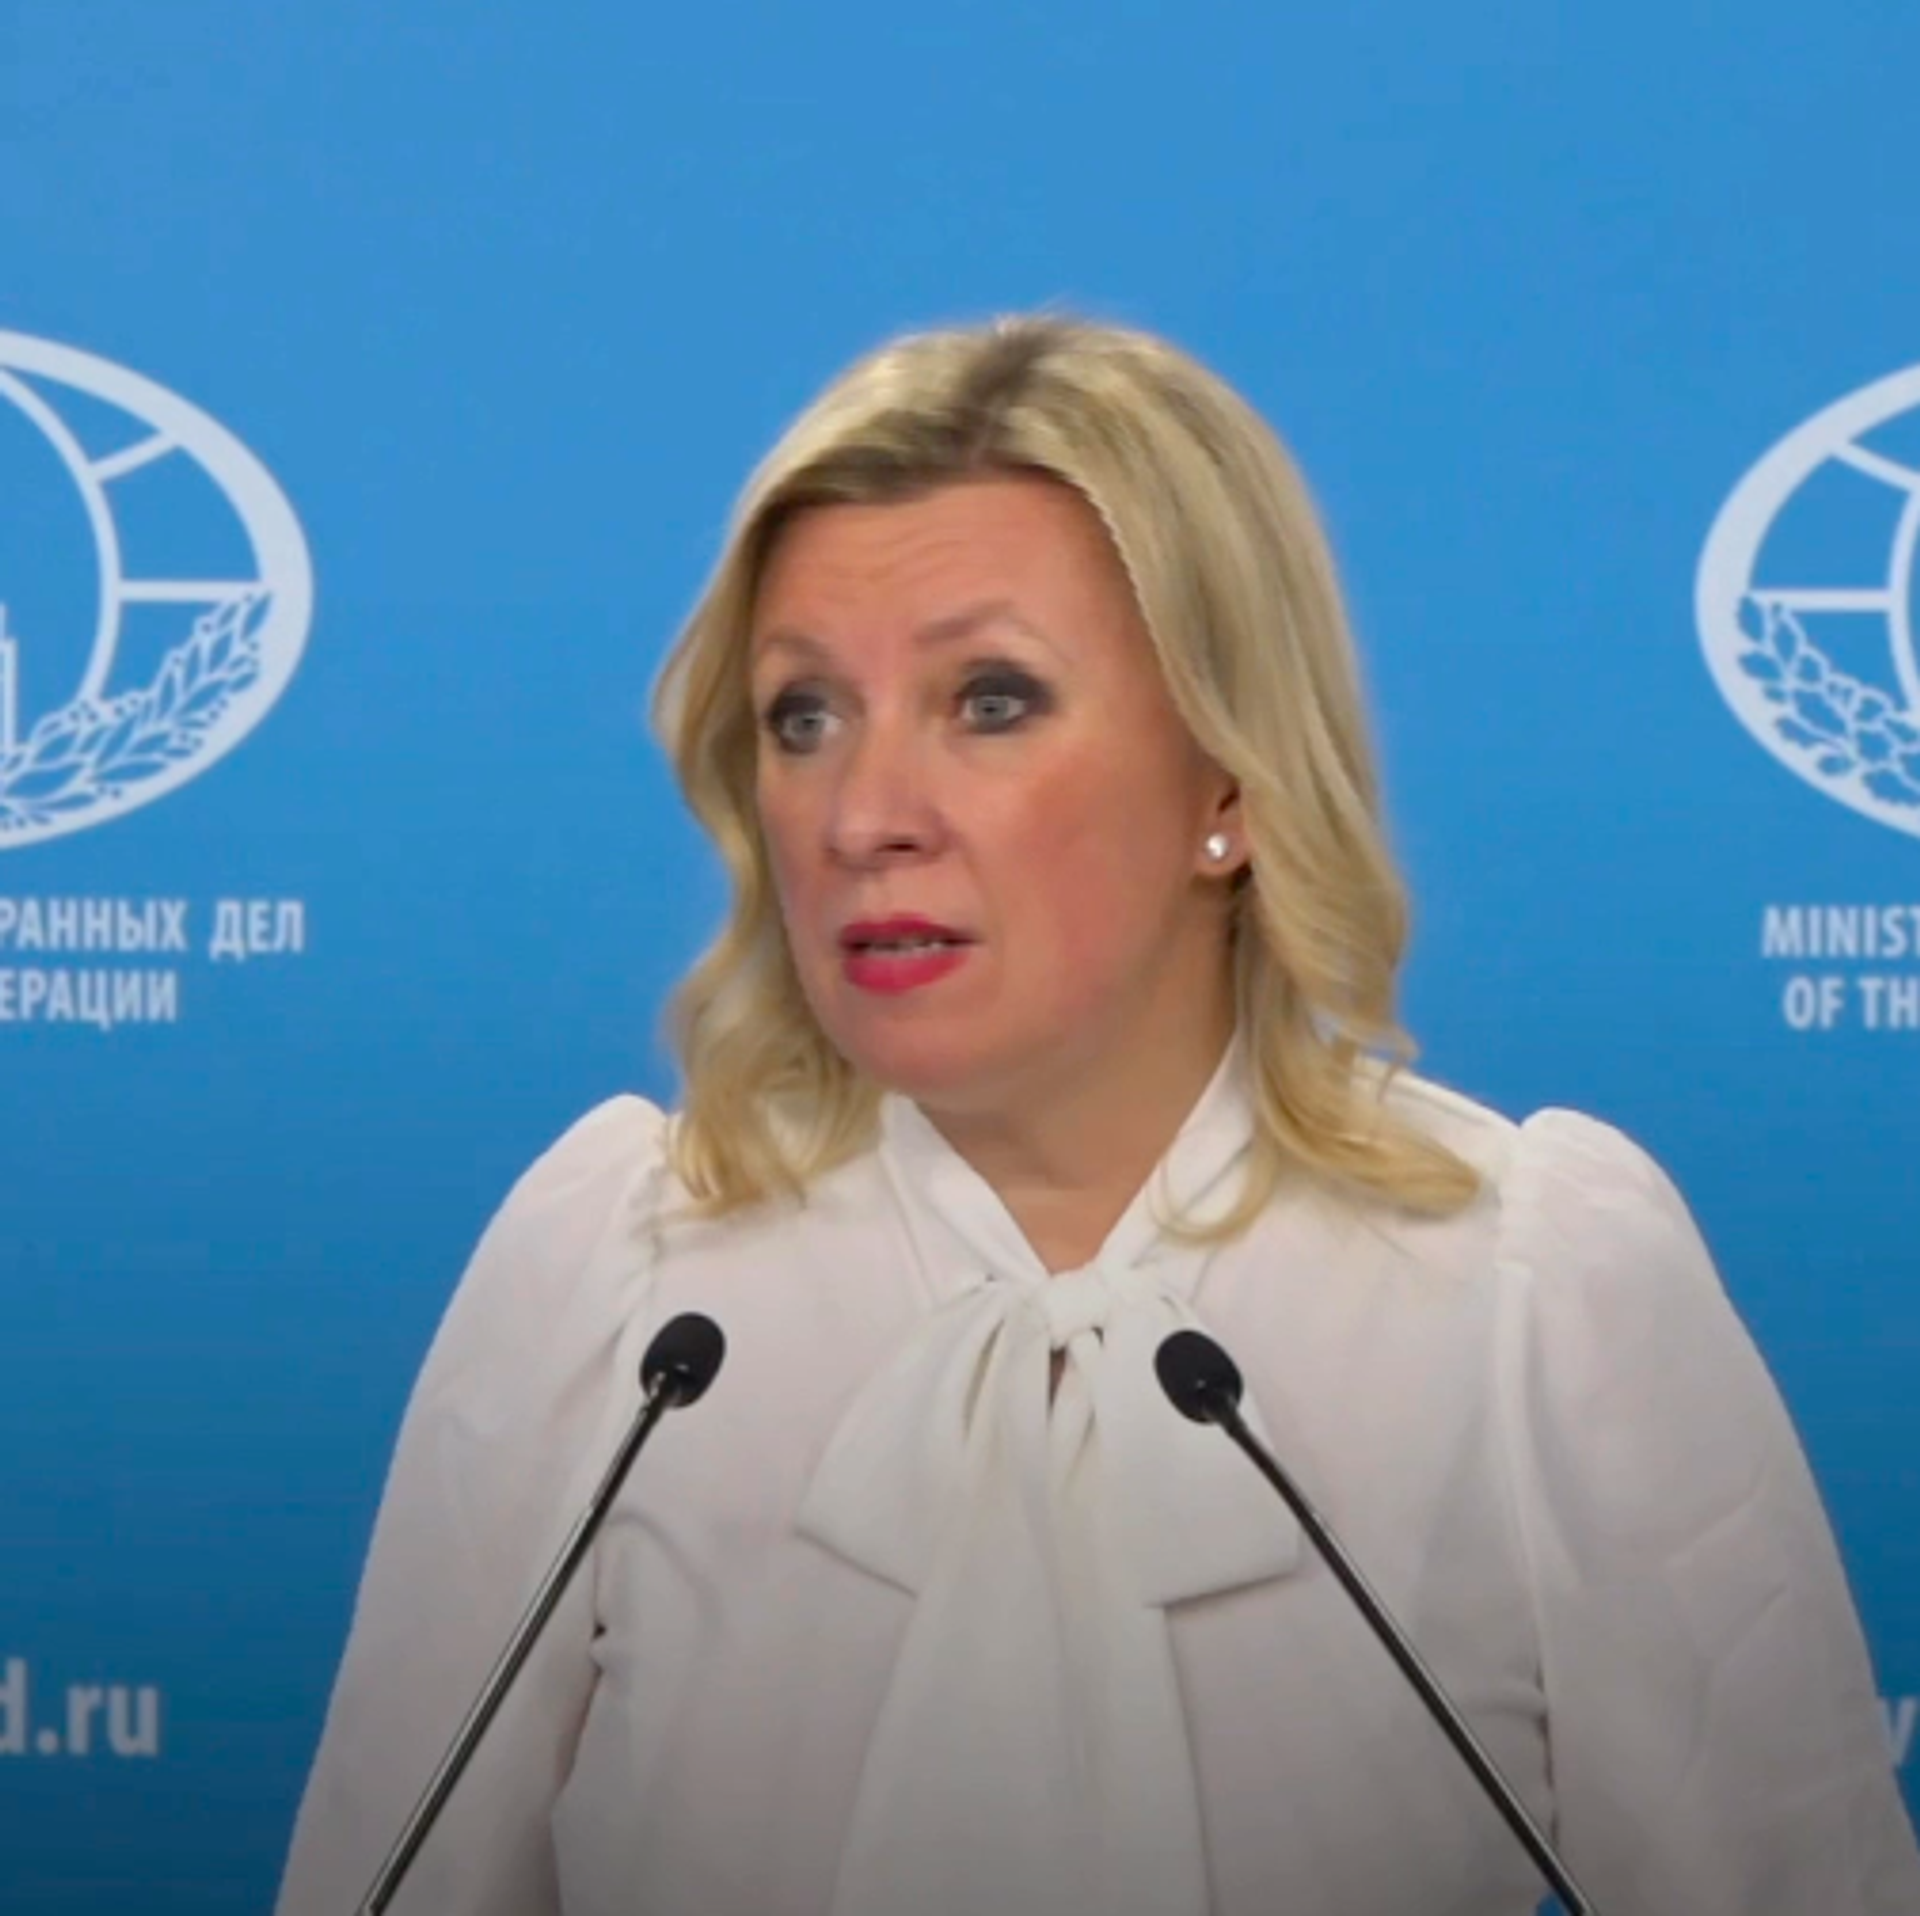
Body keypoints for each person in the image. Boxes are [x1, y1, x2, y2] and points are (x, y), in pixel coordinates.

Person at [275, 315, 1920, 1916]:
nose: (861, 816)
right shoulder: (624, 1282)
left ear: (1229, 780)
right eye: (803, 716)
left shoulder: (1529, 1289)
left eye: (990, 700)